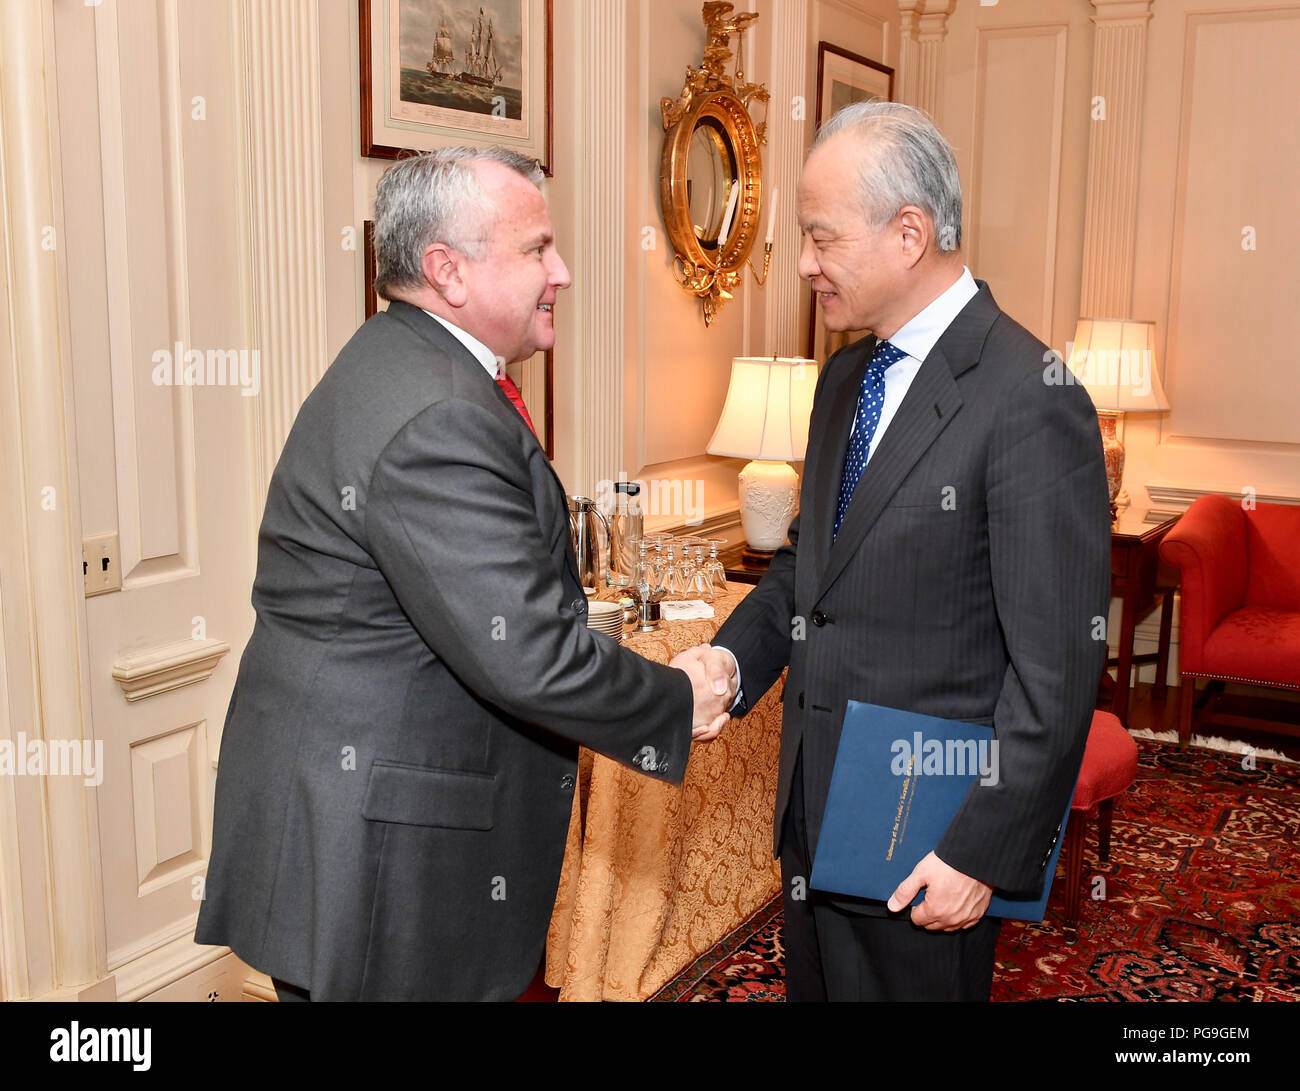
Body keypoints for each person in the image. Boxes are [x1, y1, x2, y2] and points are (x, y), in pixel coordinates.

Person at [194, 147, 732, 1002]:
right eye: (536, 249)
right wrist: (674, 700)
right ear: (446, 270)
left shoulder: (398, 359)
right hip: (383, 841)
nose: (562, 272)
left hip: (346, 803)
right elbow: (525, 654)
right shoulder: (441, 410)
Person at [680, 102, 1110, 1001]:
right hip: (815, 818)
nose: (803, 264)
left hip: (929, 837)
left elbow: (1059, 666)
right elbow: (810, 571)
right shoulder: (845, 377)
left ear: (909, 232)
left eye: (819, 237)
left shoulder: (1031, 394)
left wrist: (979, 849)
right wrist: (729, 659)